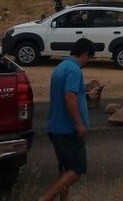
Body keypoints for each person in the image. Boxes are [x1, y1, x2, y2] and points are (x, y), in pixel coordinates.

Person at [39, 37, 94, 201]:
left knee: (65, 170)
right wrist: (79, 124)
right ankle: (45, 198)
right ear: (84, 54)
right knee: (77, 170)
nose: (88, 61)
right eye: (89, 57)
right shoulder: (74, 70)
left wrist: (87, 95)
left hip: (56, 128)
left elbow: (72, 93)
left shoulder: (62, 67)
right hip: (68, 130)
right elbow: (69, 96)